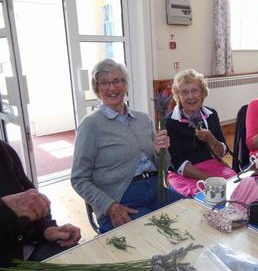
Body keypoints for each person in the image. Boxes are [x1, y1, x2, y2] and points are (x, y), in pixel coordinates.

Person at [71, 58, 182, 234]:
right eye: (104, 83)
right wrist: (109, 207)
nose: (112, 88)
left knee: (192, 217)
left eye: (117, 81)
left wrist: (160, 152)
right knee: (154, 242)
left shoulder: (143, 119)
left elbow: (164, 165)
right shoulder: (90, 125)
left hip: (158, 188)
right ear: (97, 88)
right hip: (123, 200)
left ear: (125, 84)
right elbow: (79, 179)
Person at [0, 140, 81, 268]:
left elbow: (32, 200)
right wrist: (5, 209)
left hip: (34, 248)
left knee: (84, 256)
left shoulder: (4, 150)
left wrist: (46, 228)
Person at [166, 69, 237, 197]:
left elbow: (221, 153)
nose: (190, 96)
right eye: (184, 92)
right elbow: (177, 162)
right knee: (201, 198)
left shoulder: (211, 115)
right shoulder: (171, 122)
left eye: (194, 91)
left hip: (213, 166)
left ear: (203, 93)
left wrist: (211, 139)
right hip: (184, 173)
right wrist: (208, 179)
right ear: (178, 96)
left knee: (236, 187)